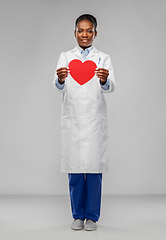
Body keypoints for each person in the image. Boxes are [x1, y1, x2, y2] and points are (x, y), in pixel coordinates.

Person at [53, 14, 115, 231]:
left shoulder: (103, 58)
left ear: (95, 33)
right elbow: (59, 84)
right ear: (75, 33)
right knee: (76, 172)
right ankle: (78, 215)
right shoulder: (65, 57)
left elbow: (111, 87)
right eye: (81, 30)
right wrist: (60, 79)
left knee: (94, 171)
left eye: (89, 30)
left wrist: (105, 79)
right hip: (73, 120)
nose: (85, 34)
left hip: (95, 121)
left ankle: (92, 217)